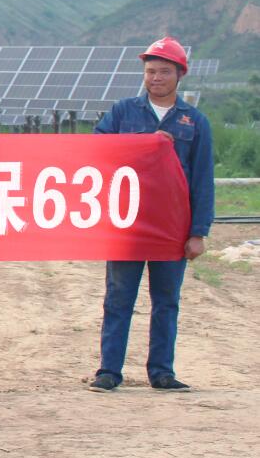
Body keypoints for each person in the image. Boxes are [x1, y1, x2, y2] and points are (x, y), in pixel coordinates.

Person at [88, 36, 213, 393]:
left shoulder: (194, 121)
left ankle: (161, 372)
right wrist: (143, 142)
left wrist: (198, 232)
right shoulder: (122, 112)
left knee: (166, 302)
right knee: (118, 299)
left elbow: (202, 179)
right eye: (150, 71)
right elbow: (96, 151)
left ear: (179, 75)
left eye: (164, 72)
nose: (156, 78)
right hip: (126, 222)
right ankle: (109, 371)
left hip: (172, 227)